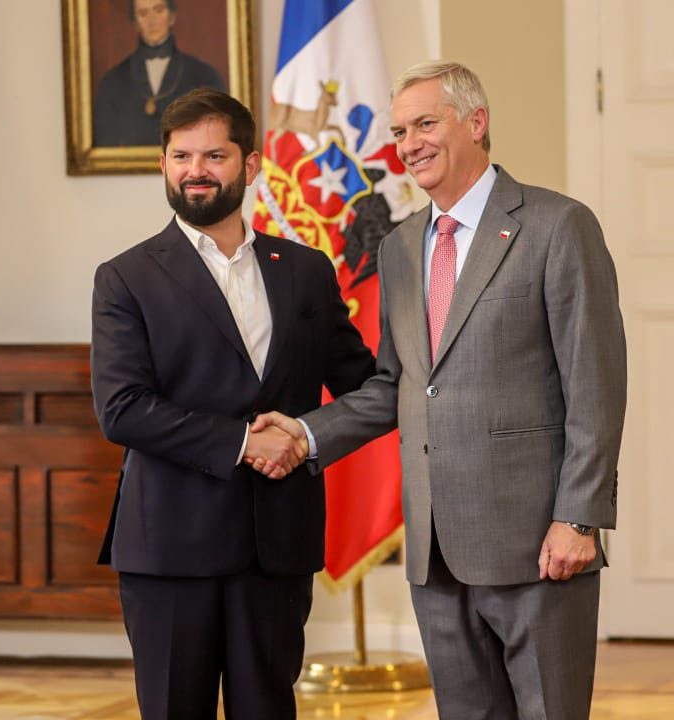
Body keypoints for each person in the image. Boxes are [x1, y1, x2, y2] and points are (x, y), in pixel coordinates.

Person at [250, 61, 627, 719]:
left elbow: (594, 383)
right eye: (398, 131)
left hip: (537, 543)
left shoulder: (557, 226)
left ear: (476, 123)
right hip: (435, 552)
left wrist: (579, 518)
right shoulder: (398, 249)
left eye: (425, 123)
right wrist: (305, 432)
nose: (409, 144)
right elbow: (397, 385)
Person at [91, 88, 375, 719]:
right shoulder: (125, 277)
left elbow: (363, 384)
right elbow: (122, 408)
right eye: (181, 156)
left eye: (214, 155)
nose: (196, 170)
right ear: (163, 165)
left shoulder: (305, 269)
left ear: (249, 167)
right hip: (168, 549)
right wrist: (248, 442)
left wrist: (304, 433)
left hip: (274, 544)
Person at [92, 0, 226, 147]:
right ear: (135, 23)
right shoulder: (113, 82)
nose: (152, 20)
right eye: (143, 13)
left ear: (172, 16)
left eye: (158, 10)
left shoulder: (204, 76)